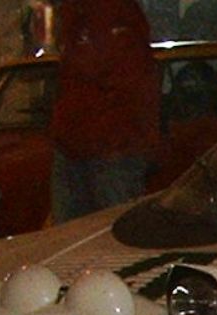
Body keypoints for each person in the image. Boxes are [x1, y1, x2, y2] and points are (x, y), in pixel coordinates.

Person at [49, 0, 162, 223]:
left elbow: (128, 82)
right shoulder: (78, 17)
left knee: (110, 226)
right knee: (76, 230)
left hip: (109, 148)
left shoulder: (109, 17)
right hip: (81, 145)